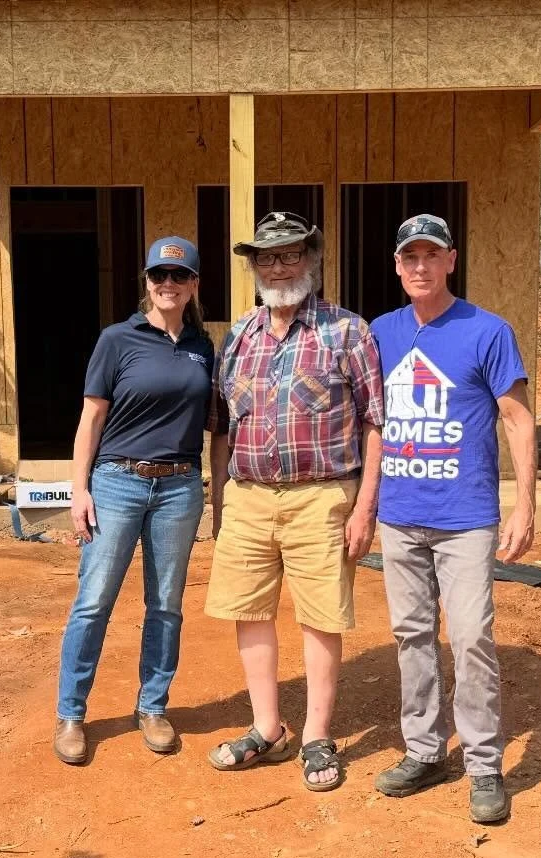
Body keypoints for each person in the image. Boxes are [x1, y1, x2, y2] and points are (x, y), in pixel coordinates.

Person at [204, 211, 384, 793]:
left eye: (290, 254)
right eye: (267, 256)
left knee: (321, 618)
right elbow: (222, 428)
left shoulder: (347, 331)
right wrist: (221, 503)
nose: (279, 266)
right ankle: (267, 728)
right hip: (249, 498)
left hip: (322, 498)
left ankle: (316, 736)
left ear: (312, 258)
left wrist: (365, 509)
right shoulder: (237, 337)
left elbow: (374, 423)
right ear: (254, 266)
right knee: (249, 612)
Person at [368, 213, 537, 823]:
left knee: (470, 639)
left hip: (465, 516)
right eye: (409, 257)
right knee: (411, 636)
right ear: (396, 265)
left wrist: (525, 504)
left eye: (430, 256)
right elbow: (368, 425)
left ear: (450, 260)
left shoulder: (487, 331)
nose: (419, 267)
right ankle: (424, 751)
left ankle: (485, 766)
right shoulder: (380, 333)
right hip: (401, 513)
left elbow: (517, 419)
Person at [52, 237, 216, 765]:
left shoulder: (203, 346)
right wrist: (80, 490)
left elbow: (216, 422)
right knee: (94, 599)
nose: (167, 285)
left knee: (166, 604)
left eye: (179, 276)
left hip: (179, 487)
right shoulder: (117, 340)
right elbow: (91, 419)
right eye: (158, 276)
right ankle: (72, 714)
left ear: (193, 284)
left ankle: (152, 707)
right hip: (118, 482)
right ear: (147, 282)